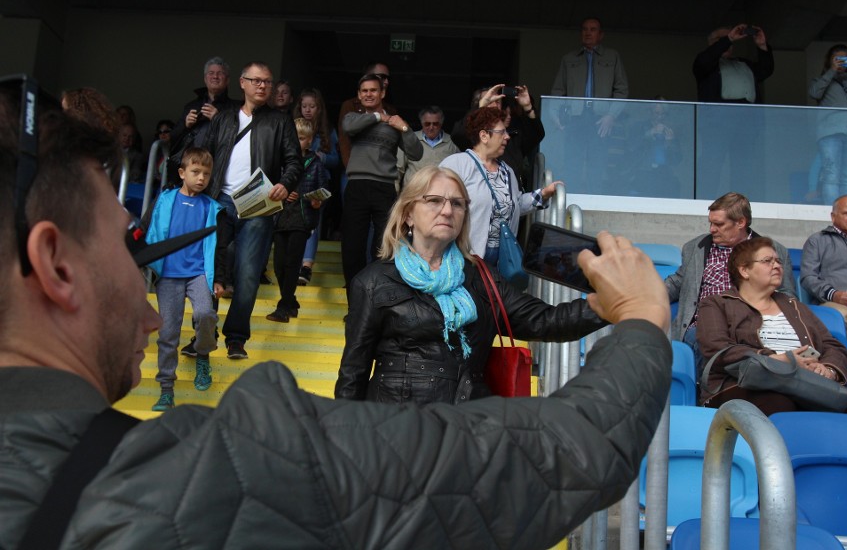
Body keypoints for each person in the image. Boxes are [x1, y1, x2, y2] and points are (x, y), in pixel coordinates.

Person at [0, 81, 674, 546]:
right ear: (57, 266)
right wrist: (642, 319)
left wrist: (597, 310)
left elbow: (527, 318)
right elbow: (564, 450)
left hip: (456, 422)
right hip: (395, 440)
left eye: (457, 204)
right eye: (130, 245)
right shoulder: (229, 466)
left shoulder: (473, 277)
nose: (151, 317)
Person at [335, 165, 607, 404]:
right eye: (434, 200)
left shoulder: (481, 277)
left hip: (466, 429)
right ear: (407, 214)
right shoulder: (372, 282)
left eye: (457, 203)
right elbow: (353, 373)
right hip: (398, 432)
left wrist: (610, 303)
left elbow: (545, 320)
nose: (447, 210)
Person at [202, 61, 303, 359]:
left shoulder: (280, 121)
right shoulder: (223, 119)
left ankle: (236, 337)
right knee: (211, 272)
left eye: (267, 82)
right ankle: (204, 335)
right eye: (256, 81)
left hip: (259, 204)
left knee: (247, 273)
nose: (262, 86)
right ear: (242, 83)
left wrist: (285, 183)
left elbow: (294, 161)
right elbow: (204, 155)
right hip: (220, 200)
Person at [697, 237, 847, 416]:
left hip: (805, 383)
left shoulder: (792, 304)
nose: (777, 265)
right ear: (744, 270)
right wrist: (781, 360)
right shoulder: (716, 304)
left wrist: (828, 370)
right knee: (777, 402)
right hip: (741, 385)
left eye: (778, 261)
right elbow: (718, 348)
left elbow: (833, 345)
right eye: (767, 261)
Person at [665, 192, 795, 362]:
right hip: (704, 326)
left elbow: (788, 295)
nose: (712, 229)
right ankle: (711, 387)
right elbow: (678, 281)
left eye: (718, 224)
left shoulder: (773, 251)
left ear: (741, 222)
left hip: (753, 325)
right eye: (710, 223)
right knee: (707, 341)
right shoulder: (695, 248)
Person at [145, 147, 223, 410]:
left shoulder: (212, 207)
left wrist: (219, 278)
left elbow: (219, 246)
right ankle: (167, 388)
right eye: (195, 172)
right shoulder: (165, 201)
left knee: (205, 314)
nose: (201, 178)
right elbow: (149, 232)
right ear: (182, 173)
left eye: (206, 174)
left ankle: (203, 353)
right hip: (167, 275)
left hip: (199, 273)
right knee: (167, 332)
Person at [440, 107, 561, 263]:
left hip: (502, 260)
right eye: (501, 132)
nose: (507, 137)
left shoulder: (507, 171)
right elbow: (437, 204)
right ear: (484, 135)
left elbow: (514, 205)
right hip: (466, 259)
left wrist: (543, 194)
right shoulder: (456, 165)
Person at [340, 73, 422, 300]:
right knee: (352, 247)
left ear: (382, 93)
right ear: (359, 95)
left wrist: (403, 127)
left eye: (373, 90)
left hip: (384, 188)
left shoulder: (395, 123)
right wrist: (379, 116)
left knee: (384, 246)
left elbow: (416, 153)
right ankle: (354, 302)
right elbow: (348, 127)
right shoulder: (353, 118)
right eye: (364, 91)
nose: (368, 94)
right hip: (356, 186)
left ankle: (375, 300)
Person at [549, 17, 629, 194]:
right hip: (575, 118)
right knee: (572, 163)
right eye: (585, 29)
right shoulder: (569, 59)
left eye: (593, 29)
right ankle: (572, 199)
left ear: (600, 35)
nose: (588, 32)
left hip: (601, 119)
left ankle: (595, 200)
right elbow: (557, 91)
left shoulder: (612, 56)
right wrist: (555, 116)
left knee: (598, 163)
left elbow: (622, 90)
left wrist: (611, 116)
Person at [693, 24, 774, 196]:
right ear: (711, 43)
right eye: (720, 40)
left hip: (746, 122)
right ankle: (704, 202)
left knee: (743, 166)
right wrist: (728, 38)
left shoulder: (743, 63)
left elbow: (766, 70)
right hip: (717, 122)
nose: (727, 43)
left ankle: (738, 205)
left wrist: (762, 46)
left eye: (729, 40)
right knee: (712, 164)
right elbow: (705, 61)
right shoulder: (706, 64)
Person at [266, 118, 330, 323]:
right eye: (294, 138)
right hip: (281, 216)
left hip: (302, 218)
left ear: (310, 141)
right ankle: (291, 301)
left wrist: (314, 200)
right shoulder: (280, 162)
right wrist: (282, 193)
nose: (297, 142)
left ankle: (284, 306)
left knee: (292, 263)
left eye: (301, 138)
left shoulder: (315, 163)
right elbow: (269, 186)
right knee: (278, 265)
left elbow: (324, 188)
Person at [451, 84, 545, 191]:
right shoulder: (472, 135)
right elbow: (457, 135)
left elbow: (537, 134)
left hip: (511, 198)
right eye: (489, 101)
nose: (494, 105)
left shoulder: (511, 136)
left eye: (497, 101)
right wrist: (480, 109)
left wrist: (528, 108)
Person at [293, 87, 340, 285]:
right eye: (304, 106)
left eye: (312, 106)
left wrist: (323, 157)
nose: (308, 110)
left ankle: (306, 267)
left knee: (313, 224)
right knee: (294, 224)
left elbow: (337, 160)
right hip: (295, 183)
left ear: (319, 108)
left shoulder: (327, 131)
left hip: (319, 184)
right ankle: (293, 263)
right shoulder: (291, 127)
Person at [168, 56, 239, 185]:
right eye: (211, 73)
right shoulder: (191, 106)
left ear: (227, 80)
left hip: (216, 170)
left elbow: (238, 141)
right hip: (187, 168)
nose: (215, 77)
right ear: (205, 79)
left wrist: (219, 120)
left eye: (220, 73)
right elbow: (172, 138)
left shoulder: (235, 108)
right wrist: (186, 124)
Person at [801, 194, 847, 343]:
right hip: (834, 303)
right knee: (840, 315)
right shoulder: (818, 241)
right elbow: (808, 277)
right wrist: (833, 294)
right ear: (833, 216)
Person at [808, 44, 847, 204]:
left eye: (845, 59)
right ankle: (831, 214)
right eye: (837, 59)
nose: (841, 63)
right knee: (831, 175)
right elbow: (814, 93)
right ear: (830, 61)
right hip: (830, 133)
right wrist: (832, 70)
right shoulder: (822, 80)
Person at [337, 61, 396, 169]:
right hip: (355, 170)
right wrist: (350, 168)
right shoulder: (350, 106)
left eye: (388, 78)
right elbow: (344, 140)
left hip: (381, 171)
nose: (386, 81)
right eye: (382, 77)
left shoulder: (390, 109)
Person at [399, 105, 459, 186]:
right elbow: (398, 170)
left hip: (441, 193)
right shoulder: (410, 139)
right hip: (413, 193)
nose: (431, 127)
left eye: (435, 124)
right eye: (427, 124)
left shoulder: (452, 143)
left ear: (441, 124)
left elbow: (459, 172)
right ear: (421, 123)